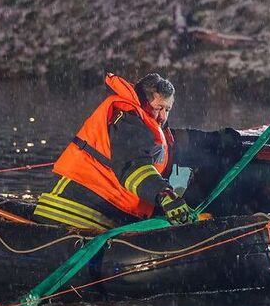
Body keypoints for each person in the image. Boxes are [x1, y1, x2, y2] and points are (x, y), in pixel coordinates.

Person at [33, 73, 196, 230]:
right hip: (72, 211)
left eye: (167, 110)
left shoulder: (146, 126)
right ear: (144, 102)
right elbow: (133, 167)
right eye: (159, 108)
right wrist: (164, 195)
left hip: (102, 214)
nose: (162, 116)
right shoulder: (126, 121)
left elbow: (181, 144)